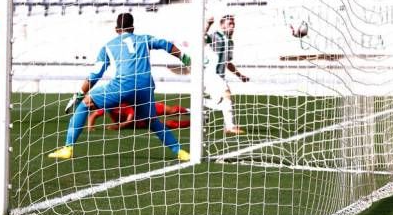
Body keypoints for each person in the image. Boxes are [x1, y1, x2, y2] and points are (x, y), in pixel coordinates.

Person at [48, 12, 191, 161]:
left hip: (122, 86)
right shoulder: (144, 39)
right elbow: (166, 44)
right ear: (133, 28)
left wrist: (79, 94)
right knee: (153, 121)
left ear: (116, 30)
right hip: (145, 87)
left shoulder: (108, 46)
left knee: (85, 103)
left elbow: (96, 74)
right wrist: (184, 57)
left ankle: (68, 148)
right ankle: (181, 152)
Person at [203, 15, 249, 135]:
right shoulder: (216, 36)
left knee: (222, 101)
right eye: (230, 24)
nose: (232, 26)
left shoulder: (230, 41)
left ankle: (199, 103)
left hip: (218, 76)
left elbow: (227, 62)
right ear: (222, 25)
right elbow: (201, 38)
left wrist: (240, 75)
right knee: (227, 95)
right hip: (211, 74)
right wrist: (208, 24)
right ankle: (230, 127)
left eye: (233, 24)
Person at [87, 101, 191, 131]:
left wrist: (117, 126)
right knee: (165, 125)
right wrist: (90, 127)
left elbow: (128, 120)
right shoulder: (109, 103)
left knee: (171, 111)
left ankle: (189, 111)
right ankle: (193, 123)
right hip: (138, 121)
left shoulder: (125, 104)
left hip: (146, 107)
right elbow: (94, 115)